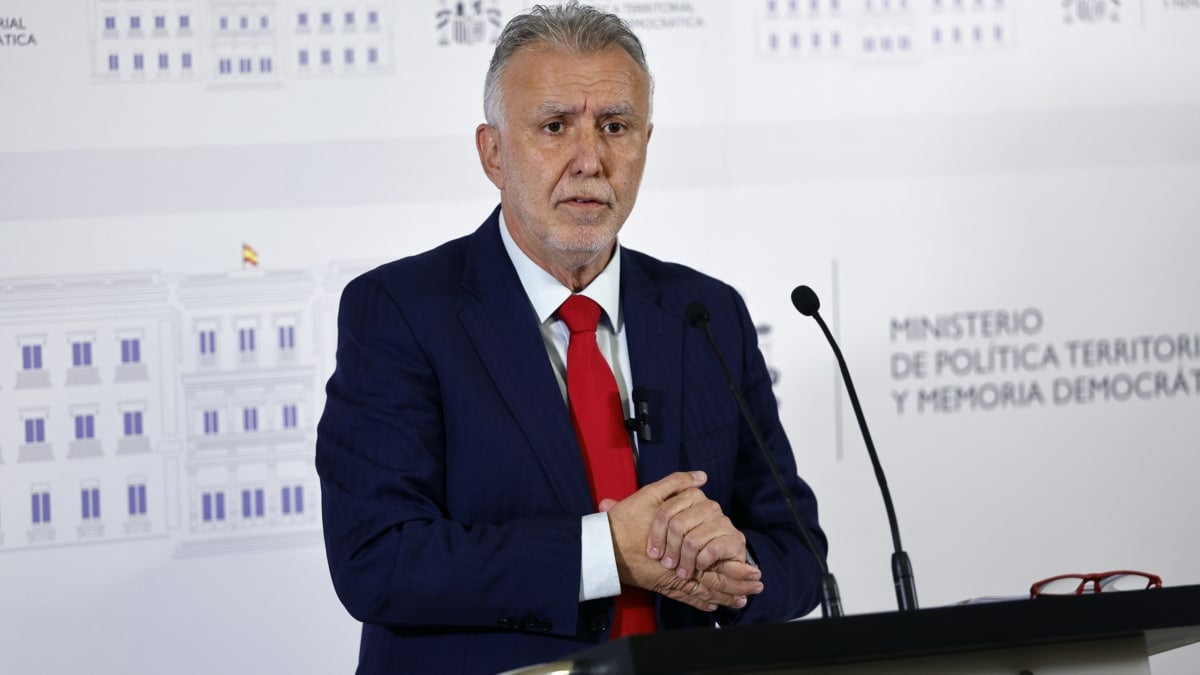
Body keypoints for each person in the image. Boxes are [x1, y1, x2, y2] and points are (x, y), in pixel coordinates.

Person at [315, 3, 827, 672]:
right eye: (555, 127)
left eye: (615, 127)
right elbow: (377, 558)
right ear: (493, 152)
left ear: (646, 141)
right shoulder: (402, 312)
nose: (590, 159)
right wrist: (605, 551)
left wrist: (735, 568)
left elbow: (799, 555)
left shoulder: (707, 313)